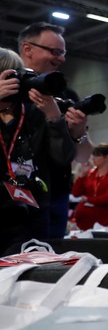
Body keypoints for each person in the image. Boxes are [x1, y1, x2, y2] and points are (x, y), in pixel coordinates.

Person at [18, 22, 91, 238]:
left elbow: (84, 155)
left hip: (55, 197)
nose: (61, 58)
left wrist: (79, 132)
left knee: (51, 264)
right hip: (13, 196)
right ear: (27, 49)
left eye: (63, 53)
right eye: (54, 51)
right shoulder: (9, 89)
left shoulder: (66, 95)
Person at [0, 48, 75, 253]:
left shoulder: (35, 112)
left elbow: (63, 157)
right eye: (8, 76)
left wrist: (54, 117)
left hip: (32, 215)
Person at [70, 143, 108, 230]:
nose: (92, 158)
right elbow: (76, 193)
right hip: (83, 222)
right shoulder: (91, 174)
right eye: (93, 155)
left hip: (103, 220)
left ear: (107, 157)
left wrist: (88, 199)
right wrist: (81, 176)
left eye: (97, 155)